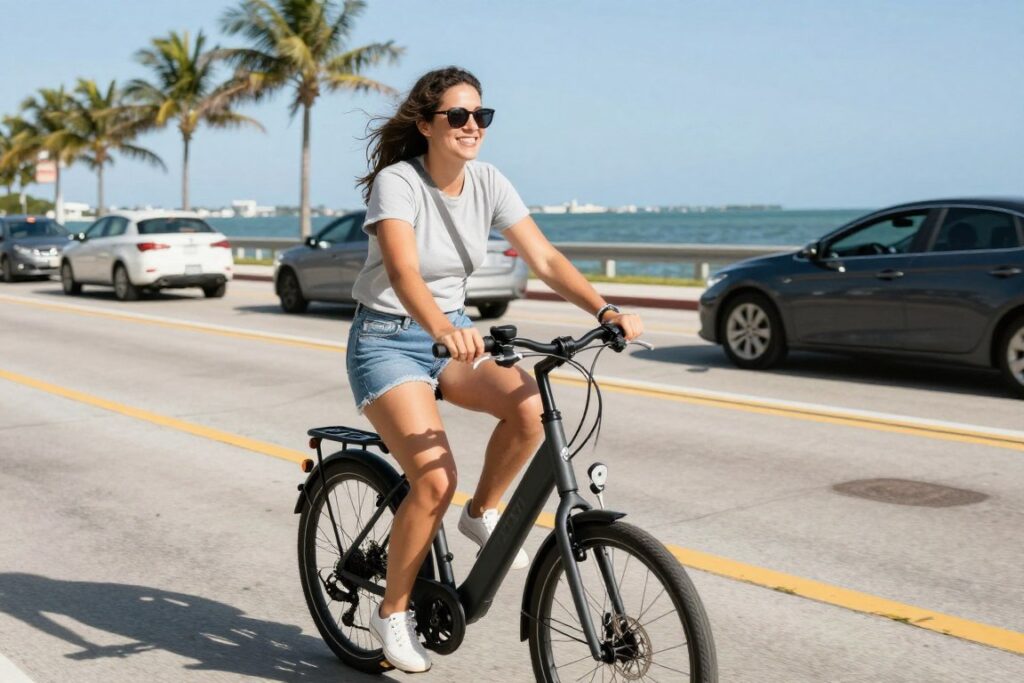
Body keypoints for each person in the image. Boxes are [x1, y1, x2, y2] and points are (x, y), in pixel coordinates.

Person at [349, 66, 644, 673]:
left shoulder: (487, 181)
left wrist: (604, 307)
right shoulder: (397, 183)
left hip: (451, 337)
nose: (472, 126)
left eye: (481, 116)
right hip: (388, 339)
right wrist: (442, 329)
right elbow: (404, 274)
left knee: (532, 407)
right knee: (433, 480)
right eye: (458, 116)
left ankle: (481, 513)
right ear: (428, 124)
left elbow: (543, 256)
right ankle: (392, 614)